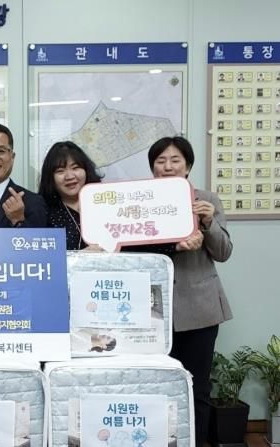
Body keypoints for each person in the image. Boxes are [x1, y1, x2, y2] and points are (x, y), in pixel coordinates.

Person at [148, 136, 233, 447]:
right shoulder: (142, 202)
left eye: (175, 160)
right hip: (152, 312)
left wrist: (208, 222)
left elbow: (223, 252)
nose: (168, 166)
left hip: (199, 308)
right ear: (153, 168)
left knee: (197, 387)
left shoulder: (207, 200)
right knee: (158, 385)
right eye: (161, 161)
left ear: (188, 166)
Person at [37, 141, 102, 249]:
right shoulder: (43, 212)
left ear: (86, 170)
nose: (70, 176)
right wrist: (81, 256)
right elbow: (42, 255)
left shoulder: (105, 203)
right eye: (60, 171)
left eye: (75, 168)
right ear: (50, 177)